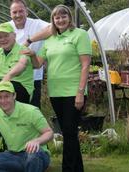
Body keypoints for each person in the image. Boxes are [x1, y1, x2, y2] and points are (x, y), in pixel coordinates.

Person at [22, 5, 92, 172]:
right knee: (69, 133)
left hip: (74, 92)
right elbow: (38, 63)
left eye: (63, 16)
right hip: (56, 92)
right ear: (53, 20)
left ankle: (67, 168)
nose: (60, 20)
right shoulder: (50, 40)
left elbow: (85, 64)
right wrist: (32, 55)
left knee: (68, 132)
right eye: (56, 17)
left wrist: (80, 92)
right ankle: (77, 168)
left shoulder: (79, 35)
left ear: (69, 18)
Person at [0, 81, 53, 172]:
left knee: (32, 157)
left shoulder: (31, 111)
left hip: (37, 154)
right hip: (12, 155)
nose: (3, 101)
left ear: (14, 95)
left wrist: (37, 141)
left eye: (7, 96)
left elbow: (49, 132)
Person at [0, 0, 50, 108]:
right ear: (10, 13)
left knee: (32, 111)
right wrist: (4, 44)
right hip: (9, 80)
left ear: (27, 12)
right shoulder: (6, 26)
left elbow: (52, 28)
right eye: (14, 12)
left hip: (33, 78)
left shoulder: (36, 23)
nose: (18, 15)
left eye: (21, 11)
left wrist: (30, 40)